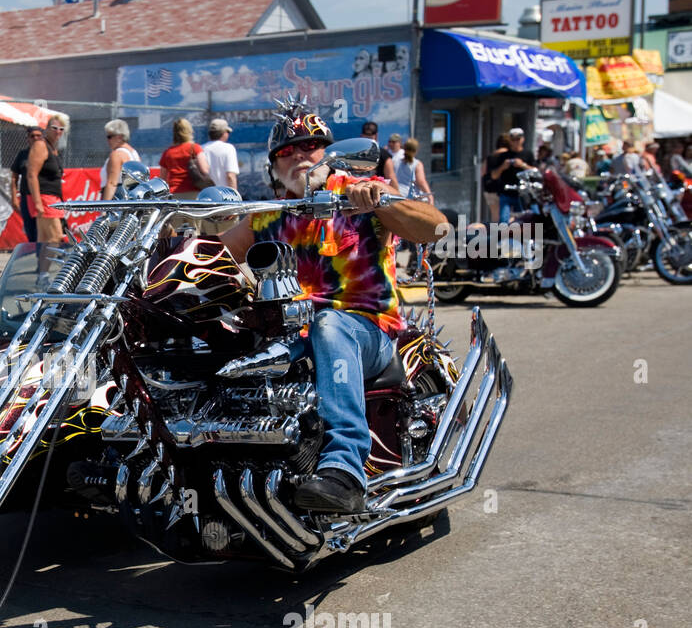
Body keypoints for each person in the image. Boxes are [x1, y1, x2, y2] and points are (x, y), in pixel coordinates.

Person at [218, 100, 446, 514]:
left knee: (327, 324)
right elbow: (215, 255)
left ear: (329, 153)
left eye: (313, 145)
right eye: (288, 149)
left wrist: (380, 202)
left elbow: (435, 226)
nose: (301, 154)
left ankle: (344, 470)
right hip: (293, 333)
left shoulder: (358, 190)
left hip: (364, 330)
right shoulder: (268, 215)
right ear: (274, 165)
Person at [27, 113, 69, 278]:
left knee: (46, 240)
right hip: (45, 198)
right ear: (47, 128)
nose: (58, 131)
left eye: (61, 129)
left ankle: (42, 275)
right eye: (54, 128)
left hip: (52, 198)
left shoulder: (52, 148)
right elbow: (31, 174)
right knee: (55, 237)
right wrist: (37, 202)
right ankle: (44, 275)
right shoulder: (41, 145)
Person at [486, 127, 532, 222]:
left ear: (522, 139)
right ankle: (504, 236)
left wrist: (522, 165)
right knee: (504, 221)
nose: (515, 142)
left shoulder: (528, 154)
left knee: (524, 221)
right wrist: (503, 166)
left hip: (522, 194)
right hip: (506, 193)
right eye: (513, 139)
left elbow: (536, 171)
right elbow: (494, 176)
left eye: (518, 139)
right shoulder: (503, 156)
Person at [10, 125, 43, 241]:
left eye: (38, 136)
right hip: (27, 197)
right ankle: (37, 256)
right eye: (32, 136)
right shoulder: (23, 155)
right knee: (31, 231)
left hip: (43, 197)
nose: (35, 138)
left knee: (45, 232)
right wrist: (14, 197)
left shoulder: (46, 153)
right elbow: (14, 177)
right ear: (28, 138)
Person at [100, 119, 141, 200]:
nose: (107, 140)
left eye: (109, 136)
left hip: (117, 197)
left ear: (120, 137)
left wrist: (104, 208)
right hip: (131, 196)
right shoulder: (133, 153)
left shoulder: (117, 154)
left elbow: (112, 183)